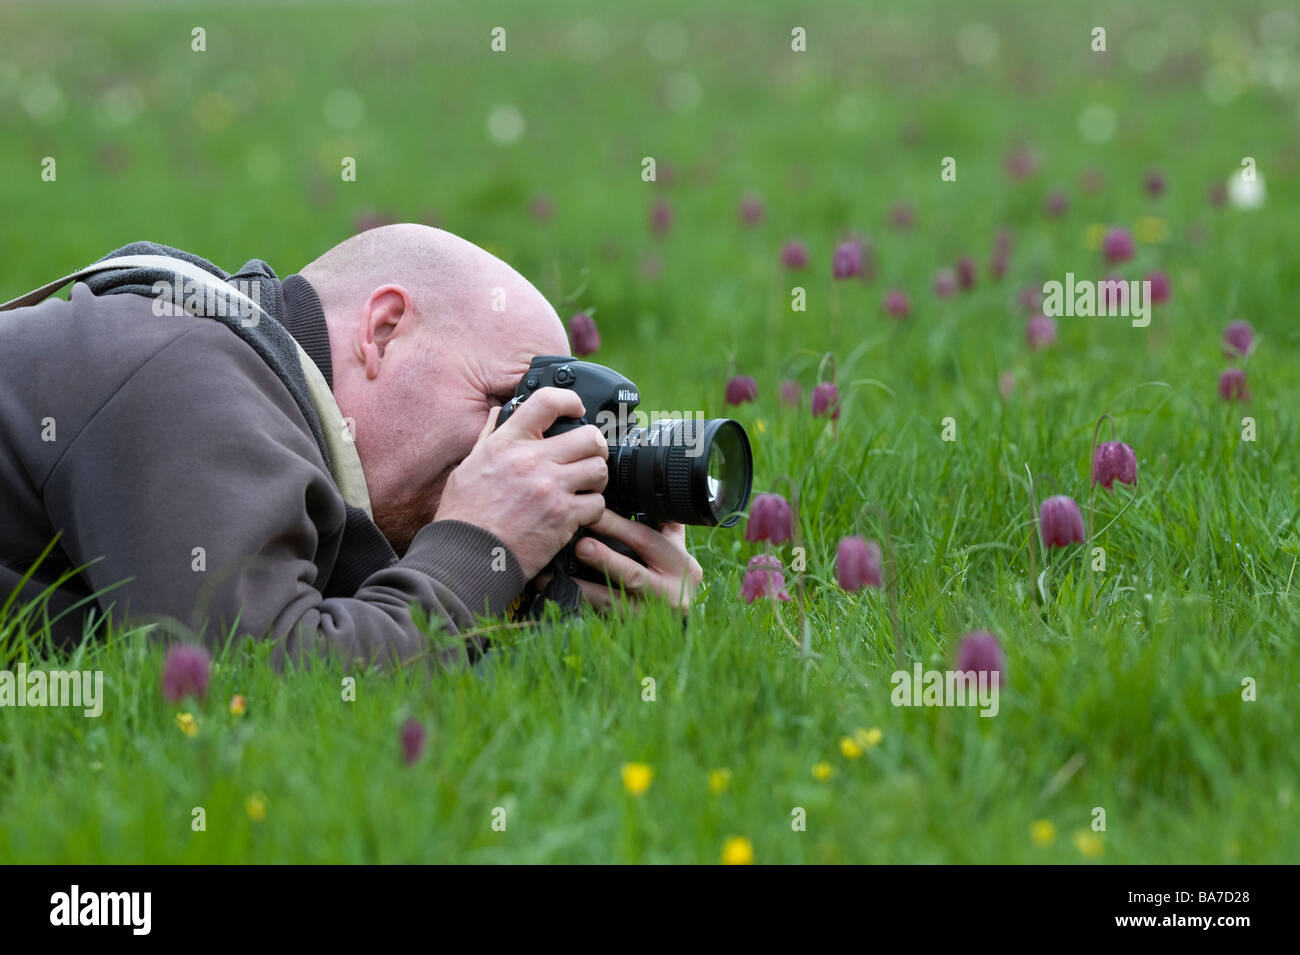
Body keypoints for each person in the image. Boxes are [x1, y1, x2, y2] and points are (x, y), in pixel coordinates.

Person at [0, 224, 702, 666]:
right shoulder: (187, 368)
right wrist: (475, 546)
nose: (517, 456)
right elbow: (253, 687)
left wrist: (581, 618)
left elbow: (343, 630)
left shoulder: (253, 395)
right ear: (385, 330)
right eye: (503, 403)